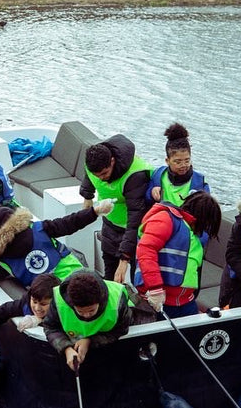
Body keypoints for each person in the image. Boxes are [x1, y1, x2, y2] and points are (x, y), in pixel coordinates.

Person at [0, 200, 114, 294]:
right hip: (82, 278)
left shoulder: (3, 262)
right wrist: (95, 211)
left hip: (55, 298)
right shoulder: (39, 228)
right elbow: (70, 222)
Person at [135, 192, 222, 318]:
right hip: (159, 301)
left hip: (185, 302)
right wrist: (155, 289)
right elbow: (146, 249)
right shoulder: (165, 218)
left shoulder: (192, 234)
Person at [79, 135, 152, 284]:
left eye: (105, 174)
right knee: (110, 275)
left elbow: (135, 220)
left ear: (112, 161)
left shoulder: (135, 175)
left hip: (135, 230)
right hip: (110, 223)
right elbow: (89, 177)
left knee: (136, 277)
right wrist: (87, 195)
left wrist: (125, 258)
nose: (101, 179)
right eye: (97, 176)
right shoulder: (92, 162)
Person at [43, 270, 134, 369]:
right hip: (73, 350)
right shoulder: (58, 301)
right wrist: (66, 348)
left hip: (110, 348)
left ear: (99, 301)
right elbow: (50, 328)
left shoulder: (117, 300)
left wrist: (90, 341)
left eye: (91, 310)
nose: (86, 315)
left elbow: (121, 329)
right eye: (80, 311)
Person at [0, 273, 61, 366]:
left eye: (43, 304)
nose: (37, 308)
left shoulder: (66, 312)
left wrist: (41, 320)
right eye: (34, 301)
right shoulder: (25, 303)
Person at [148, 123, 211, 205]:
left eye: (187, 160)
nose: (183, 165)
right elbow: (145, 200)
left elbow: (207, 209)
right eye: (178, 162)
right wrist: (151, 193)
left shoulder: (199, 183)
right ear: (167, 161)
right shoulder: (158, 176)